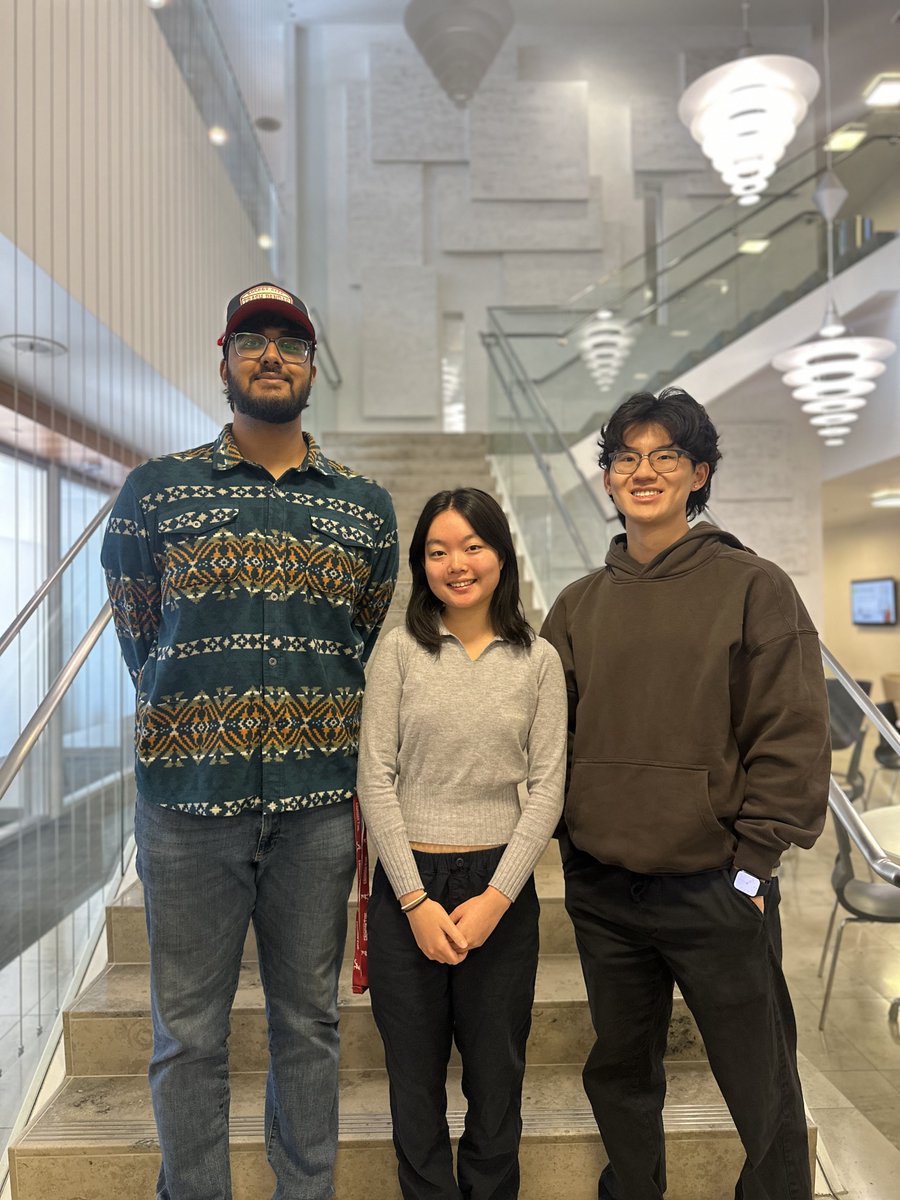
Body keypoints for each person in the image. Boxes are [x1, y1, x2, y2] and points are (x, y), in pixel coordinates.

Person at [101, 282, 398, 1200]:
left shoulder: (365, 509)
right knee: (187, 1032)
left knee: (307, 1024)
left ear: (313, 367)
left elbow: (361, 632)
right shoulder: (156, 494)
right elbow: (140, 638)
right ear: (223, 358)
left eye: (291, 343)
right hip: (187, 811)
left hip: (314, 810)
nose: (273, 356)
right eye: (253, 340)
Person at [541, 387, 831, 1200]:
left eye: (666, 455)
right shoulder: (577, 606)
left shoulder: (754, 587)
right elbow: (547, 743)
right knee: (621, 1075)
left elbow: (793, 736)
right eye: (626, 457)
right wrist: (574, 844)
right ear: (607, 479)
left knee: (762, 1084)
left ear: (698, 472)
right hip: (606, 891)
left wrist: (752, 869)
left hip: (716, 888)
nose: (644, 470)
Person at [357, 488, 566, 1200]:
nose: (457, 563)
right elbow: (374, 776)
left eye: (472, 546)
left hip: (498, 888)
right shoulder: (398, 650)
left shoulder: (536, 660)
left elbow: (547, 789)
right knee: (414, 1085)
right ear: (422, 563)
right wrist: (413, 898)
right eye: (438, 550)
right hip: (407, 884)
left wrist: (496, 898)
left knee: (496, 1078)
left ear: (501, 556)